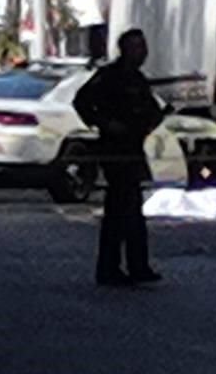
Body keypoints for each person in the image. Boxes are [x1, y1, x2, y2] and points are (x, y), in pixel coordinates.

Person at [73, 28, 166, 287]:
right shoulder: (109, 77)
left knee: (133, 209)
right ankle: (109, 269)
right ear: (124, 50)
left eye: (143, 47)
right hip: (114, 150)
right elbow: (81, 102)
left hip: (134, 148)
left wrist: (151, 123)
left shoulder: (138, 79)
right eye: (137, 47)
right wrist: (105, 123)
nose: (142, 52)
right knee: (117, 210)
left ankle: (138, 266)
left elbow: (151, 111)